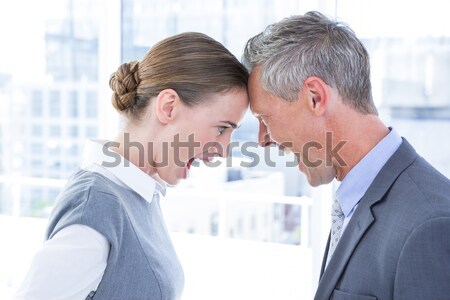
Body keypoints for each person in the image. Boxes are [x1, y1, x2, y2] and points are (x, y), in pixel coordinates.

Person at [14, 32, 249, 300]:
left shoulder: (139, 191)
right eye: (221, 128)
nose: (224, 150)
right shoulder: (95, 206)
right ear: (169, 106)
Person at [242, 11, 450, 300]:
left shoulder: (430, 225)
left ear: (315, 96)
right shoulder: (353, 201)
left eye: (265, 118)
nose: (263, 139)